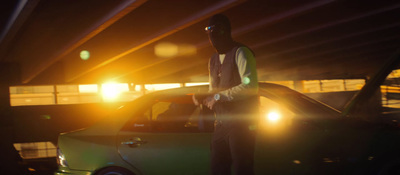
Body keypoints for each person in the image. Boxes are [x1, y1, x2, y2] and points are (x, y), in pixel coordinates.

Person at [194, 14, 259, 175]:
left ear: (224, 30)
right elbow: (213, 90)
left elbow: (250, 86)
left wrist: (217, 97)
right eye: (208, 31)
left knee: (242, 170)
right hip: (221, 125)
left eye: (213, 30)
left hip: (241, 125)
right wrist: (203, 97)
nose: (210, 35)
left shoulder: (241, 52)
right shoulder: (213, 59)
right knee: (217, 169)